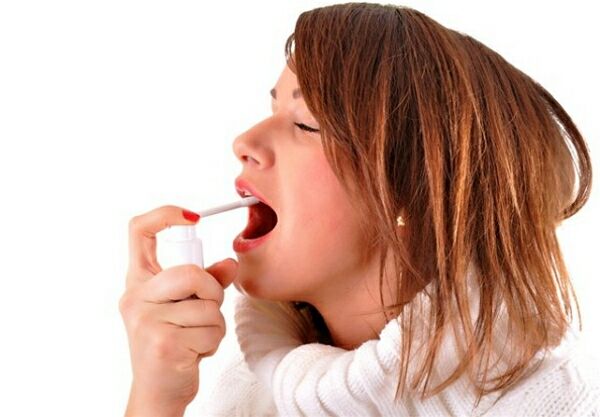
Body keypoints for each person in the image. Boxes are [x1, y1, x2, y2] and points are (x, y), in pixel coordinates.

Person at [120, 3, 599, 416]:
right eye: (273, 111)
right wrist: (157, 398)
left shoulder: (551, 402)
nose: (244, 142)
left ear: (411, 193)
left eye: (306, 124)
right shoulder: (250, 389)